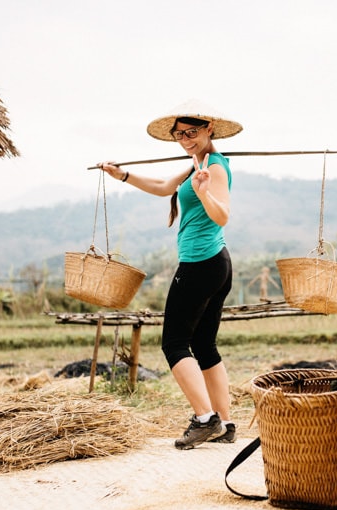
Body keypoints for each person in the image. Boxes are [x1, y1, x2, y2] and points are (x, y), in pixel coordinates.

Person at [99, 100, 242, 450]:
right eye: (179, 135)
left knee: (174, 343)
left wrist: (205, 190)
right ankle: (224, 423)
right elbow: (165, 187)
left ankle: (205, 418)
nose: (185, 140)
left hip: (200, 265)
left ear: (209, 128)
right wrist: (124, 176)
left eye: (191, 133)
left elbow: (222, 216)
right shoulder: (198, 163)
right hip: (215, 264)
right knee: (204, 345)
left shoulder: (215, 169)